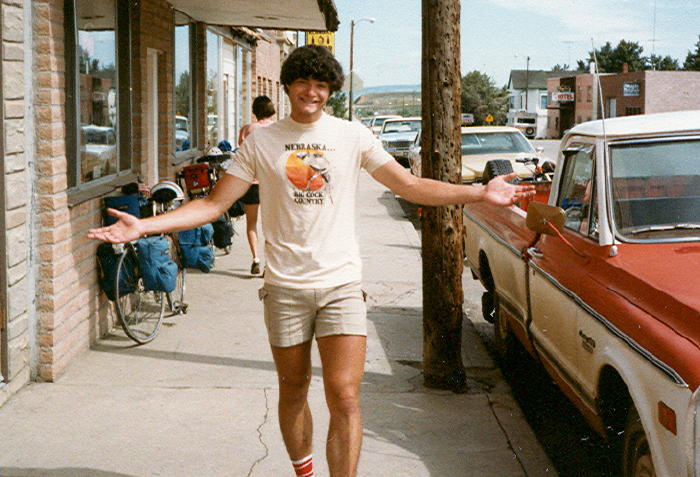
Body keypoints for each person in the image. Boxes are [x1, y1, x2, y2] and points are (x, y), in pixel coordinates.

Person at [88, 45, 535, 477]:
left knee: (344, 396)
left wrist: (479, 192)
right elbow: (212, 205)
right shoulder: (262, 144)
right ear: (287, 86)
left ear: (331, 91)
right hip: (284, 288)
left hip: (341, 285)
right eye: (303, 82)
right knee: (294, 388)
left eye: (322, 85)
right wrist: (146, 226)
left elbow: (410, 186)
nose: (312, 92)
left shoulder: (352, 136)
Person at [237, 95, 276, 275]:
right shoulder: (278, 129)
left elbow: (242, 151)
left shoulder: (247, 129)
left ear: (255, 110)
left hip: (251, 182)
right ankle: (270, 264)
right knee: (272, 225)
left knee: (251, 223)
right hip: (273, 183)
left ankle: (255, 259)